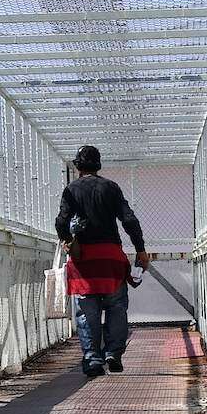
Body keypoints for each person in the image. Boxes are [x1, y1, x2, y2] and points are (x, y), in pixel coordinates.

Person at [55, 145, 151, 378]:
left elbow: (61, 222)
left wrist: (69, 240)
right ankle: (113, 354)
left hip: (84, 262)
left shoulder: (71, 190)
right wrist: (140, 249)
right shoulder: (111, 188)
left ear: (77, 167)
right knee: (116, 307)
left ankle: (92, 359)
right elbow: (129, 219)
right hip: (111, 259)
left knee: (87, 311)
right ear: (98, 165)